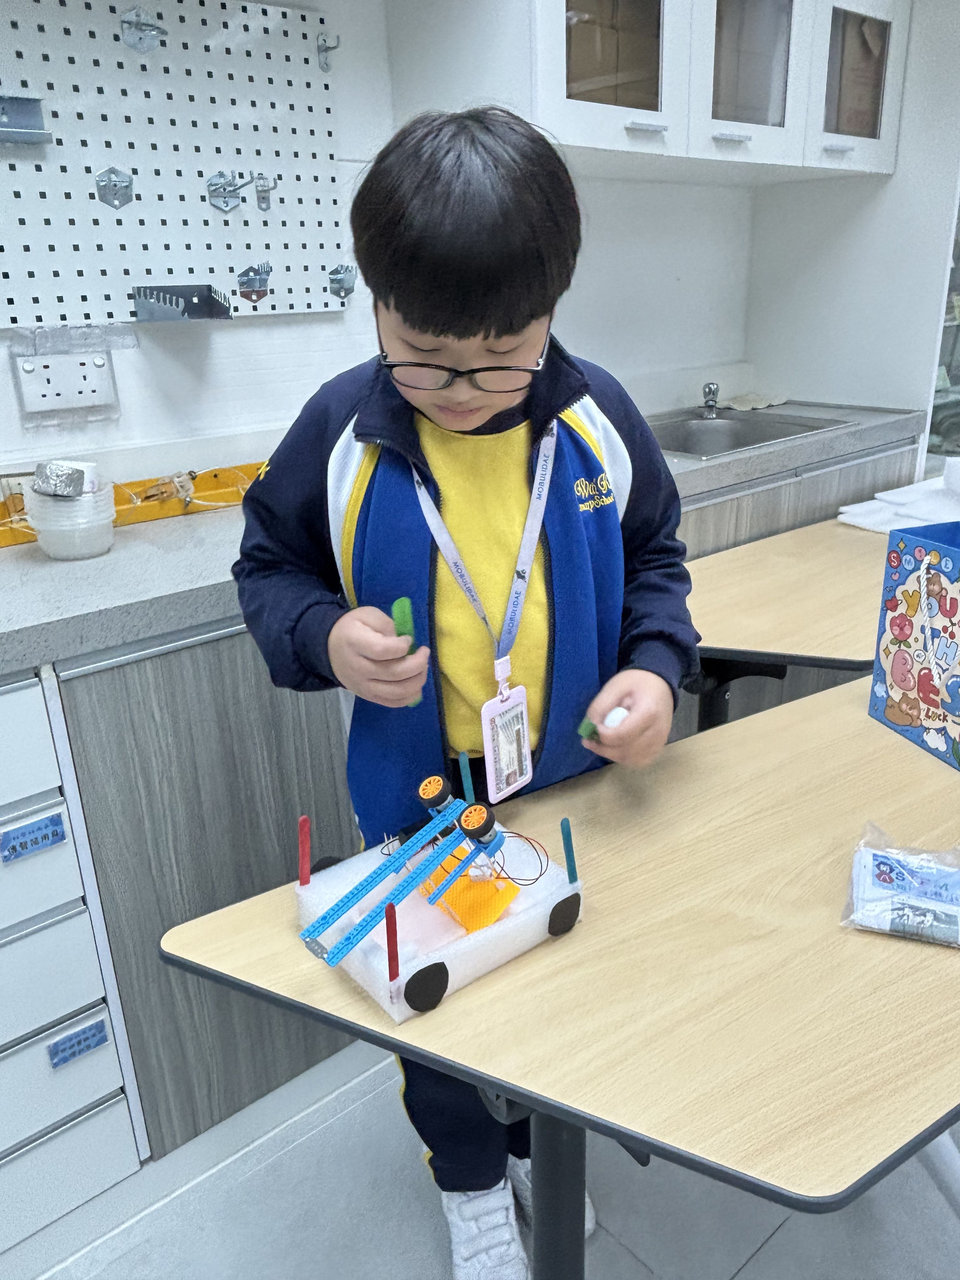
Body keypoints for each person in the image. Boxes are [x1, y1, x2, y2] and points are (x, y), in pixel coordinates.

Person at [233, 106, 700, 1280]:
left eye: (501, 357)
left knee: (558, 992)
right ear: (376, 302)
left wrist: (654, 665)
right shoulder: (341, 429)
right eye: (424, 354)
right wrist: (323, 634)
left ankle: (541, 1144)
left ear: (551, 313)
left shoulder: (596, 420)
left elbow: (657, 556)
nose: (459, 388)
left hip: (571, 792)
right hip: (418, 807)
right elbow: (269, 570)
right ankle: (470, 1179)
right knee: (437, 1013)